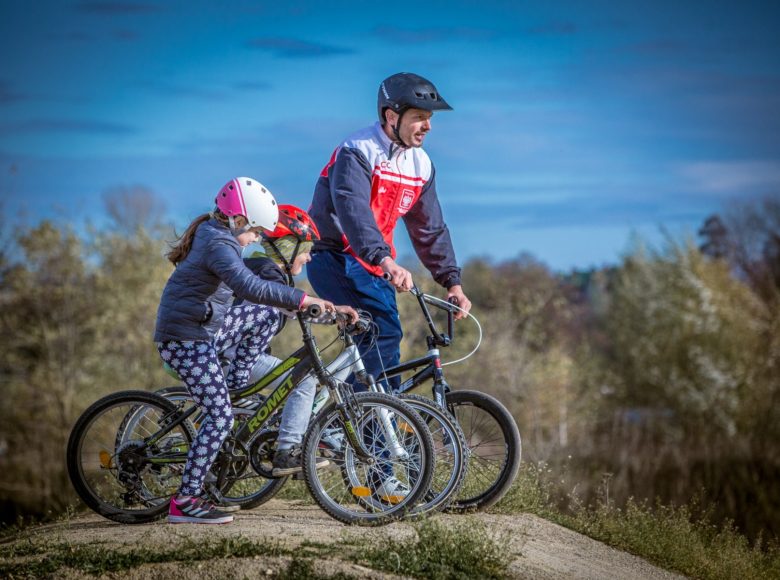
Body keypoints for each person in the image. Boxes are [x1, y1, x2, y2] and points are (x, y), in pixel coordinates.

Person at [155, 177, 343, 524]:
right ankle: (185, 501)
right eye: (256, 231)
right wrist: (304, 299)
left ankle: (235, 398)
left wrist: (323, 309)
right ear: (238, 220)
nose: (258, 238)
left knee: (223, 412)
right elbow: (249, 287)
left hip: (194, 336)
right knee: (221, 416)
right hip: (186, 339)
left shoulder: (218, 237)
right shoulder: (218, 243)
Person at [307, 72, 473, 395]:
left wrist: (452, 282)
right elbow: (354, 215)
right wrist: (386, 261)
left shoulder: (420, 165)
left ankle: (353, 427)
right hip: (334, 257)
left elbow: (430, 228)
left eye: (430, 118)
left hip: (373, 264)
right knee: (380, 332)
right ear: (391, 116)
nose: (428, 126)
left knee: (384, 340)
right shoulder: (357, 151)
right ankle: (374, 438)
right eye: (420, 118)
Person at [240, 205, 358, 476]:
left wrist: (331, 315)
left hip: (242, 355)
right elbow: (291, 304)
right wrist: (334, 312)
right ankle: (288, 451)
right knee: (303, 383)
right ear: (286, 245)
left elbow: (292, 306)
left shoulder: (263, 268)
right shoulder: (265, 271)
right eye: (304, 250)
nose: (308, 258)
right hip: (237, 358)